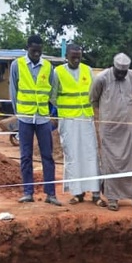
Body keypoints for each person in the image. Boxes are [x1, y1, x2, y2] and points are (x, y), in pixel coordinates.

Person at [90, 53, 132, 212]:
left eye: (123, 73)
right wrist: (110, 113)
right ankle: (112, 198)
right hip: (109, 129)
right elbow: (93, 99)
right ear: (114, 67)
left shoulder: (131, 76)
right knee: (111, 163)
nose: (121, 75)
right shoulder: (101, 78)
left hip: (127, 128)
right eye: (118, 72)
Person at [9, 34, 60, 205]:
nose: (37, 53)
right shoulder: (17, 65)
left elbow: (52, 91)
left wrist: (53, 113)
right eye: (34, 50)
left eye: (40, 50)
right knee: (25, 156)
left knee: (47, 156)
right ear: (28, 48)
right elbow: (13, 90)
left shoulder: (48, 67)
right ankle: (28, 192)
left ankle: (50, 194)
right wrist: (19, 113)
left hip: (43, 118)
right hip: (25, 118)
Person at [52, 44, 102, 206]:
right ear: (66, 56)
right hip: (68, 121)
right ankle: (77, 193)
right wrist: (65, 109)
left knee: (90, 155)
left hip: (86, 119)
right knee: (72, 156)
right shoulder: (58, 72)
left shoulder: (88, 70)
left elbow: (95, 93)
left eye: (78, 56)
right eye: (73, 56)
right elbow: (52, 96)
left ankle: (95, 194)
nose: (76, 59)